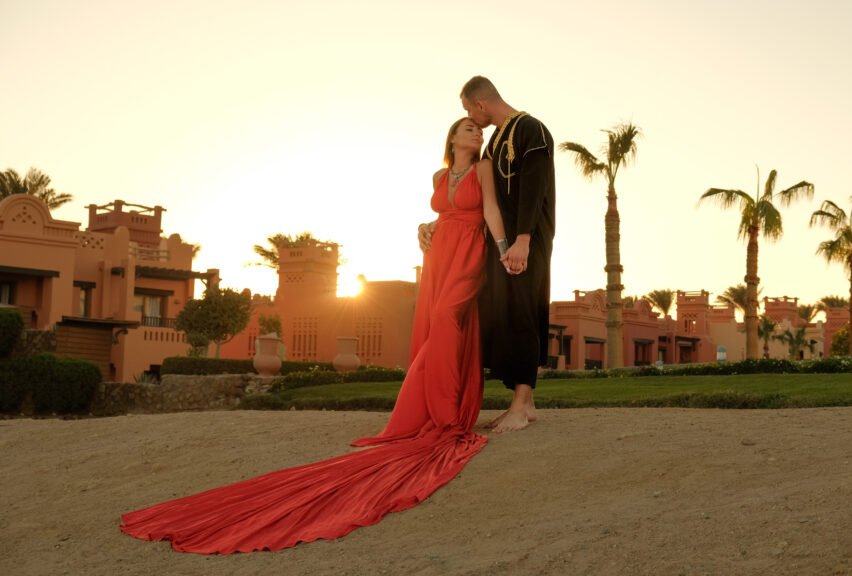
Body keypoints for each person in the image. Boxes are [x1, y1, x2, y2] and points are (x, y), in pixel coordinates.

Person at [119, 118, 510, 554]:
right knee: (436, 325)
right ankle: (434, 410)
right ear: (452, 138)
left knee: (447, 319)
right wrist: (427, 227)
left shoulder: (483, 169)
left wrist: (502, 247)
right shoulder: (440, 176)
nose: (477, 134)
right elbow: (445, 212)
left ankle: (450, 414)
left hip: (471, 250)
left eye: (479, 131)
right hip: (441, 253)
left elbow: (488, 210)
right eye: (469, 129)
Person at [423, 76, 555, 433]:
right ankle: (525, 403)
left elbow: (535, 186)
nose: (469, 116)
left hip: (526, 241)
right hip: (504, 245)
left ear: (480, 105)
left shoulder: (532, 129)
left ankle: (518, 406)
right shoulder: (496, 142)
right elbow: (482, 202)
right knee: (507, 317)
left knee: (525, 312)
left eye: (468, 109)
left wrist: (524, 239)